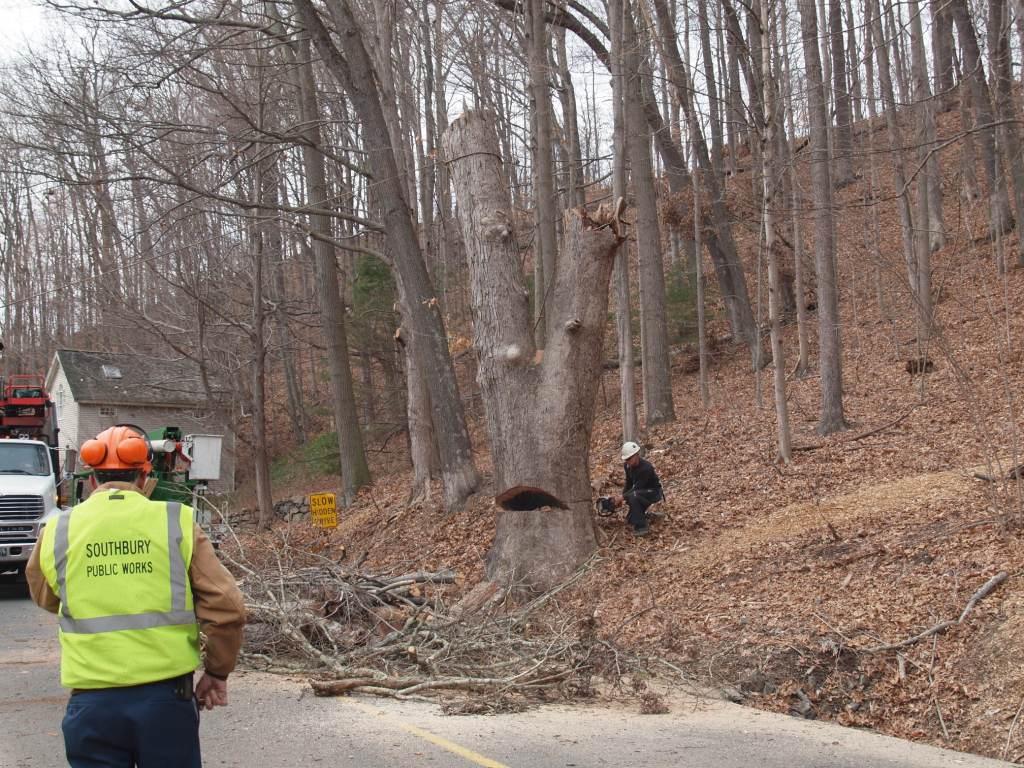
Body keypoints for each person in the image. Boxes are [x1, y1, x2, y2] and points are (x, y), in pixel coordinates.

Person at [26, 425, 246, 768]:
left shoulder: (58, 529)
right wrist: (217, 673)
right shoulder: (177, 520)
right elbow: (227, 607)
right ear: (145, 478)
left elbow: (46, 595)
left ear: (92, 480)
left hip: (91, 704)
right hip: (166, 700)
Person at [615, 441, 663, 537]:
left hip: (653, 492)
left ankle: (642, 527)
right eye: (626, 459)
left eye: (629, 459)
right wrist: (622, 496)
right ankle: (646, 515)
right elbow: (628, 483)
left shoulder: (646, 468)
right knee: (630, 519)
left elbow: (638, 487)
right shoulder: (627, 466)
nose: (627, 461)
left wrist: (622, 497)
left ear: (636, 455)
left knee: (633, 496)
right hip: (640, 492)